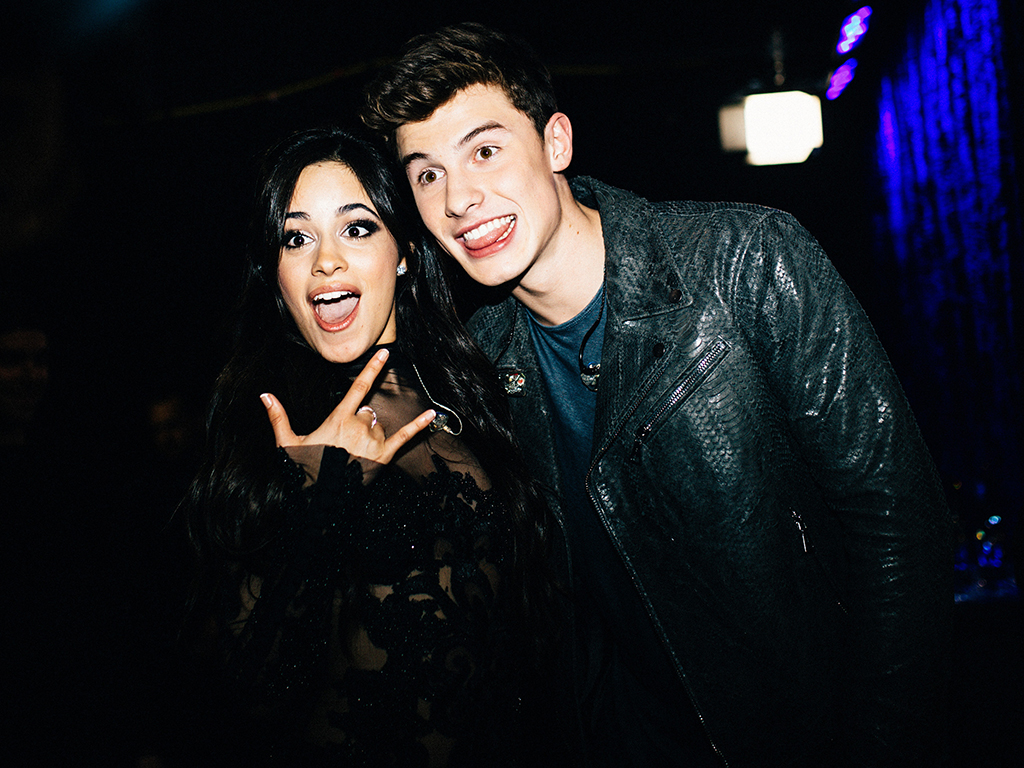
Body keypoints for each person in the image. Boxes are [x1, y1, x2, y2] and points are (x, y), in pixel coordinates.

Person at [362, 22, 955, 767]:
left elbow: (900, 532)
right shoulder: (482, 364)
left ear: (555, 145)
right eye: (427, 174)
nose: (460, 199)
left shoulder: (746, 262)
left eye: (484, 151)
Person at [186, 127, 555, 766]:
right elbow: (242, 689)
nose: (325, 261)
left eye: (356, 228)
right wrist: (316, 497)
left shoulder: (473, 388)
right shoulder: (264, 418)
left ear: (406, 251)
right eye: (295, 238)